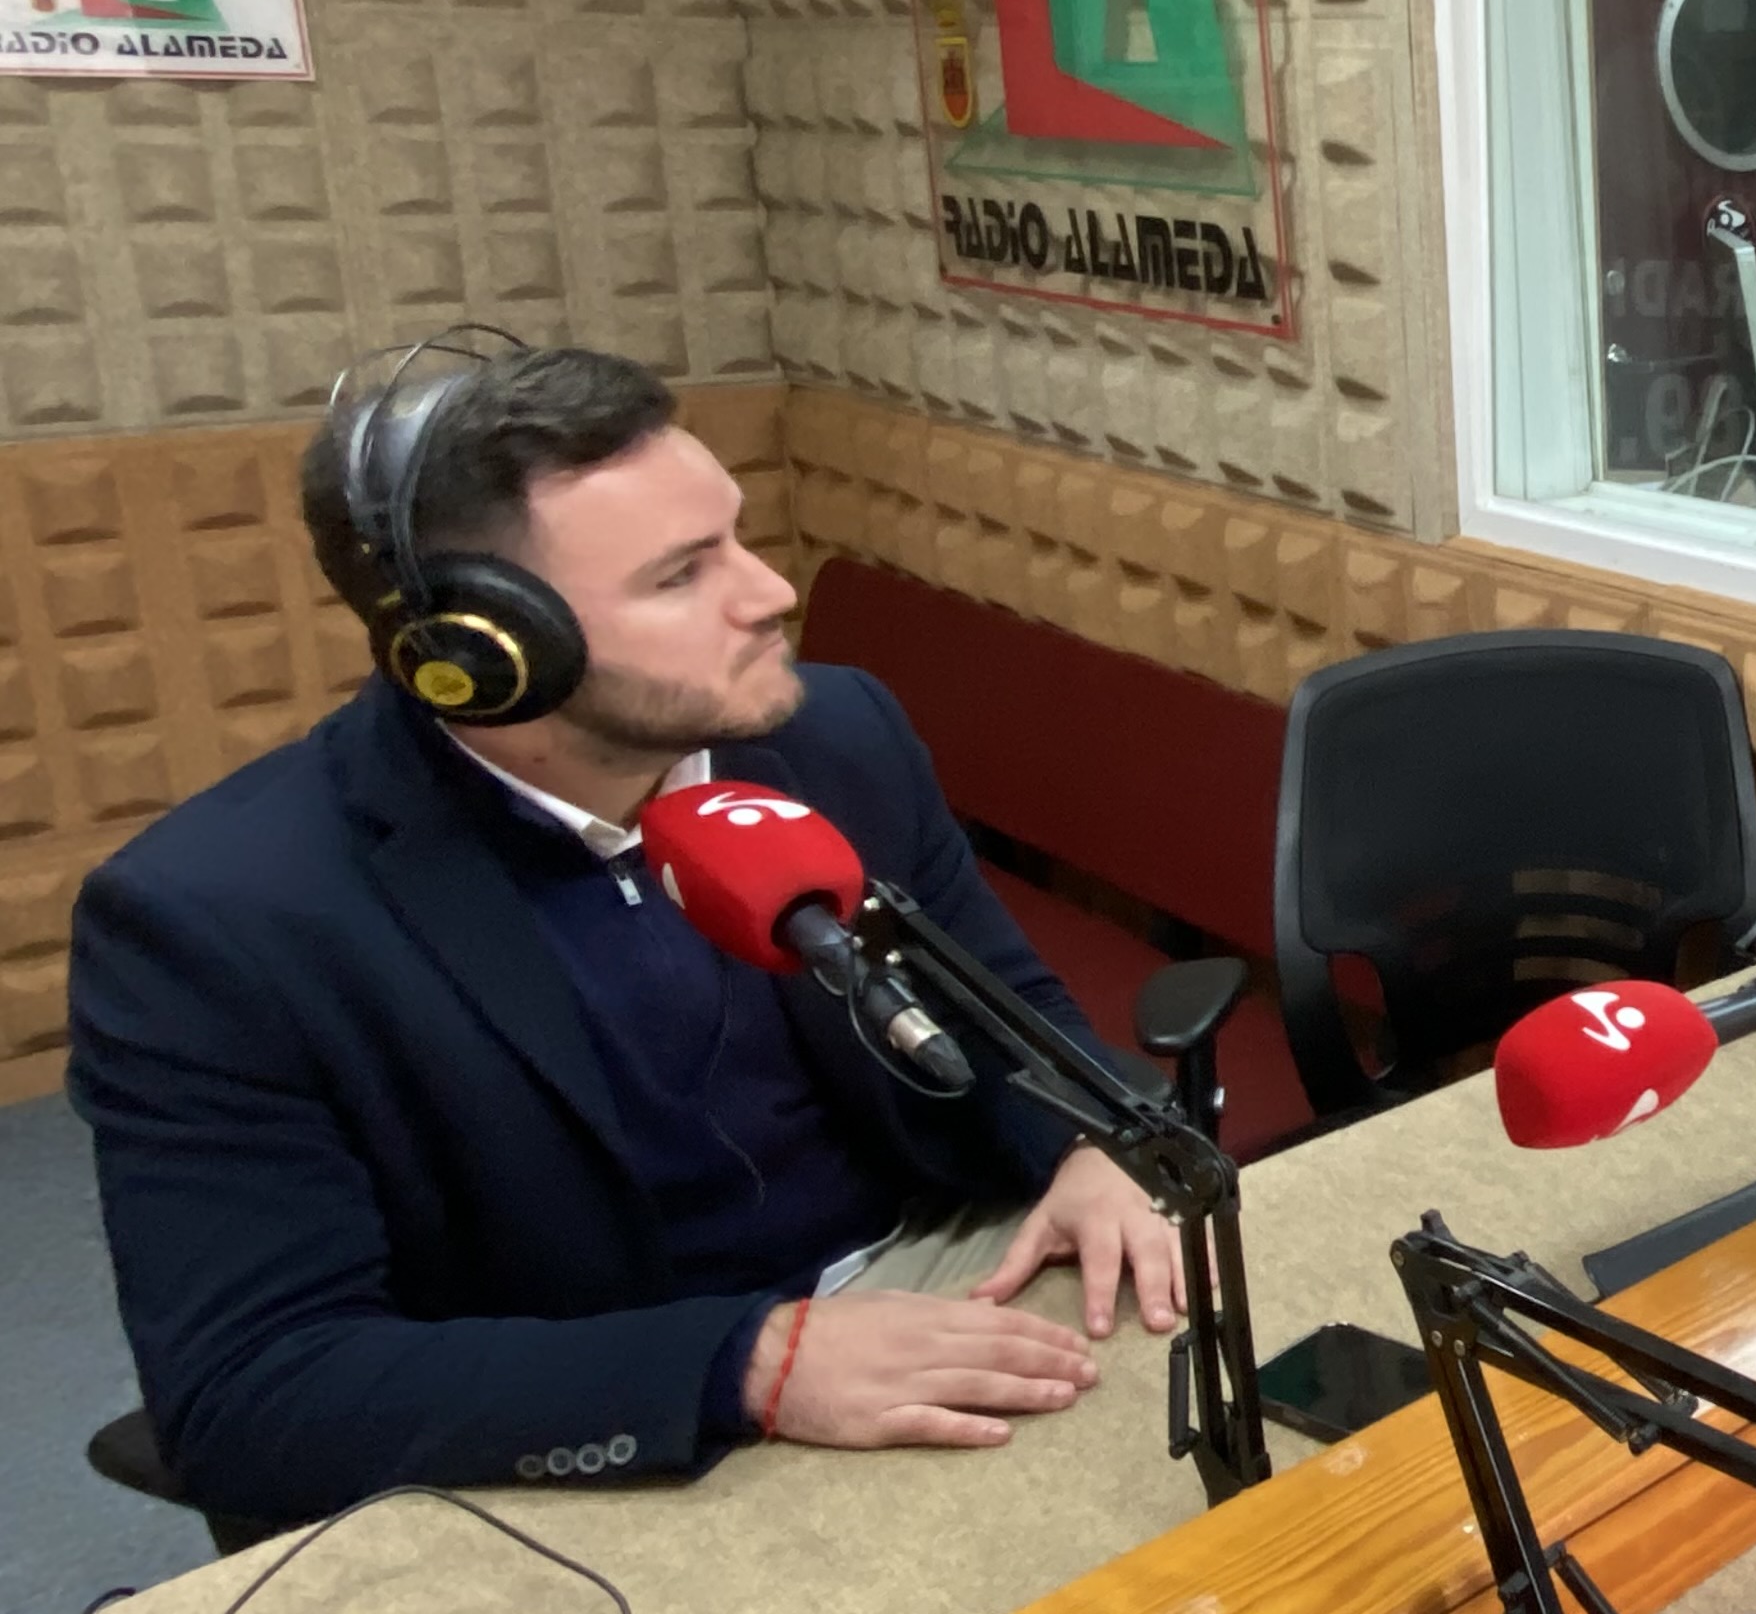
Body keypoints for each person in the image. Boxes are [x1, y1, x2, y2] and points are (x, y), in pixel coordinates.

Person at [69, 334, 1184, 1528]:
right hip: (603, 1411)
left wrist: (1091, 1141)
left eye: (737, 536)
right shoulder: (216, 921)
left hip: (924, 1286)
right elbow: (252, 1397)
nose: (770, 592)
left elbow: (1008, 1008)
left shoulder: (833, 736)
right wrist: (745, 1365)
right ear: (482, 651)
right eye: (681, 576)